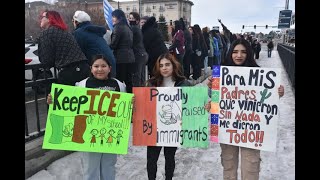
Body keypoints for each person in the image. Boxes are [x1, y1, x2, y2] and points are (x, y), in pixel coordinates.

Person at [206, 39, 284, 180]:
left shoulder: (259, 75)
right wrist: (211, 91)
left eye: (243, 52)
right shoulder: (221, 73)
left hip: (251, 132)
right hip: (228, 130)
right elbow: (215, 101)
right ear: (230, 53)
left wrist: (277, 93)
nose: (239, 55)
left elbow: (265, 102)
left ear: (249, 54)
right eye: (235, 52)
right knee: (228, 168)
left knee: (251, 170)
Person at [47, 54, 126, 180]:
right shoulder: (82, 85)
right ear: (91, 68)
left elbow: (124, 108)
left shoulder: (119, 85)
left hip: (110, 134)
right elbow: (70, 104)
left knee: (109, 166)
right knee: (90, 167)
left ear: (109, 68)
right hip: (88, 135)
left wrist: (131, 103)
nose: (100, 69)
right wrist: (54, 100)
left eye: (103, 66)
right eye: (96, 66)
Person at [145, 52, 191, 180]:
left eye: (167, 64)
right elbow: (145, 104)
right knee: (151, 159)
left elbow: (192, 103)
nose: (164, 68)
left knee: (170, 157)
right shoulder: (151, 83)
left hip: (173, 127)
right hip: (155, 127)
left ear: (174, 65)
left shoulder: (184, 83)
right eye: (161, 65)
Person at [38, 10, 90, 86]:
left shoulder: (47, 33)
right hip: (84, 68)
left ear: (49, 19)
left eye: (42, 17)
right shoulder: (64, 31)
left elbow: (46, 60)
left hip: (68, 71)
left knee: (67, 96)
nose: (40, 19)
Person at [72, 10, 117, 77]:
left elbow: (78, 54)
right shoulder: (95, 32)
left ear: (76, 22)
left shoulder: (78, 33)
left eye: (73, 20)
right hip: (110, 67)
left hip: (98, 68)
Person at [110, 9, 135, 93]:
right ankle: (130, 98)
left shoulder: (118, 27)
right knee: (129, 81)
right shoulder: (128, 27)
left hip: (120, 57)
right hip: (130, 57)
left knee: (119, 80)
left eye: (113, 17)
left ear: (118, 18)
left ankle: (120, 99)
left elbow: (114, 44)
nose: (112, 19)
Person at [128, 12, 149, 86]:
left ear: (137, 20)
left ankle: (138, 94)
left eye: (132, 18)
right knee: (142, 76)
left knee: (136, 76)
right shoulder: (138, 29)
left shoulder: (133, 28)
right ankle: (143, 92)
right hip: (143, 54)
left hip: (138, 55)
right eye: (129, 18)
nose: (130, 20)